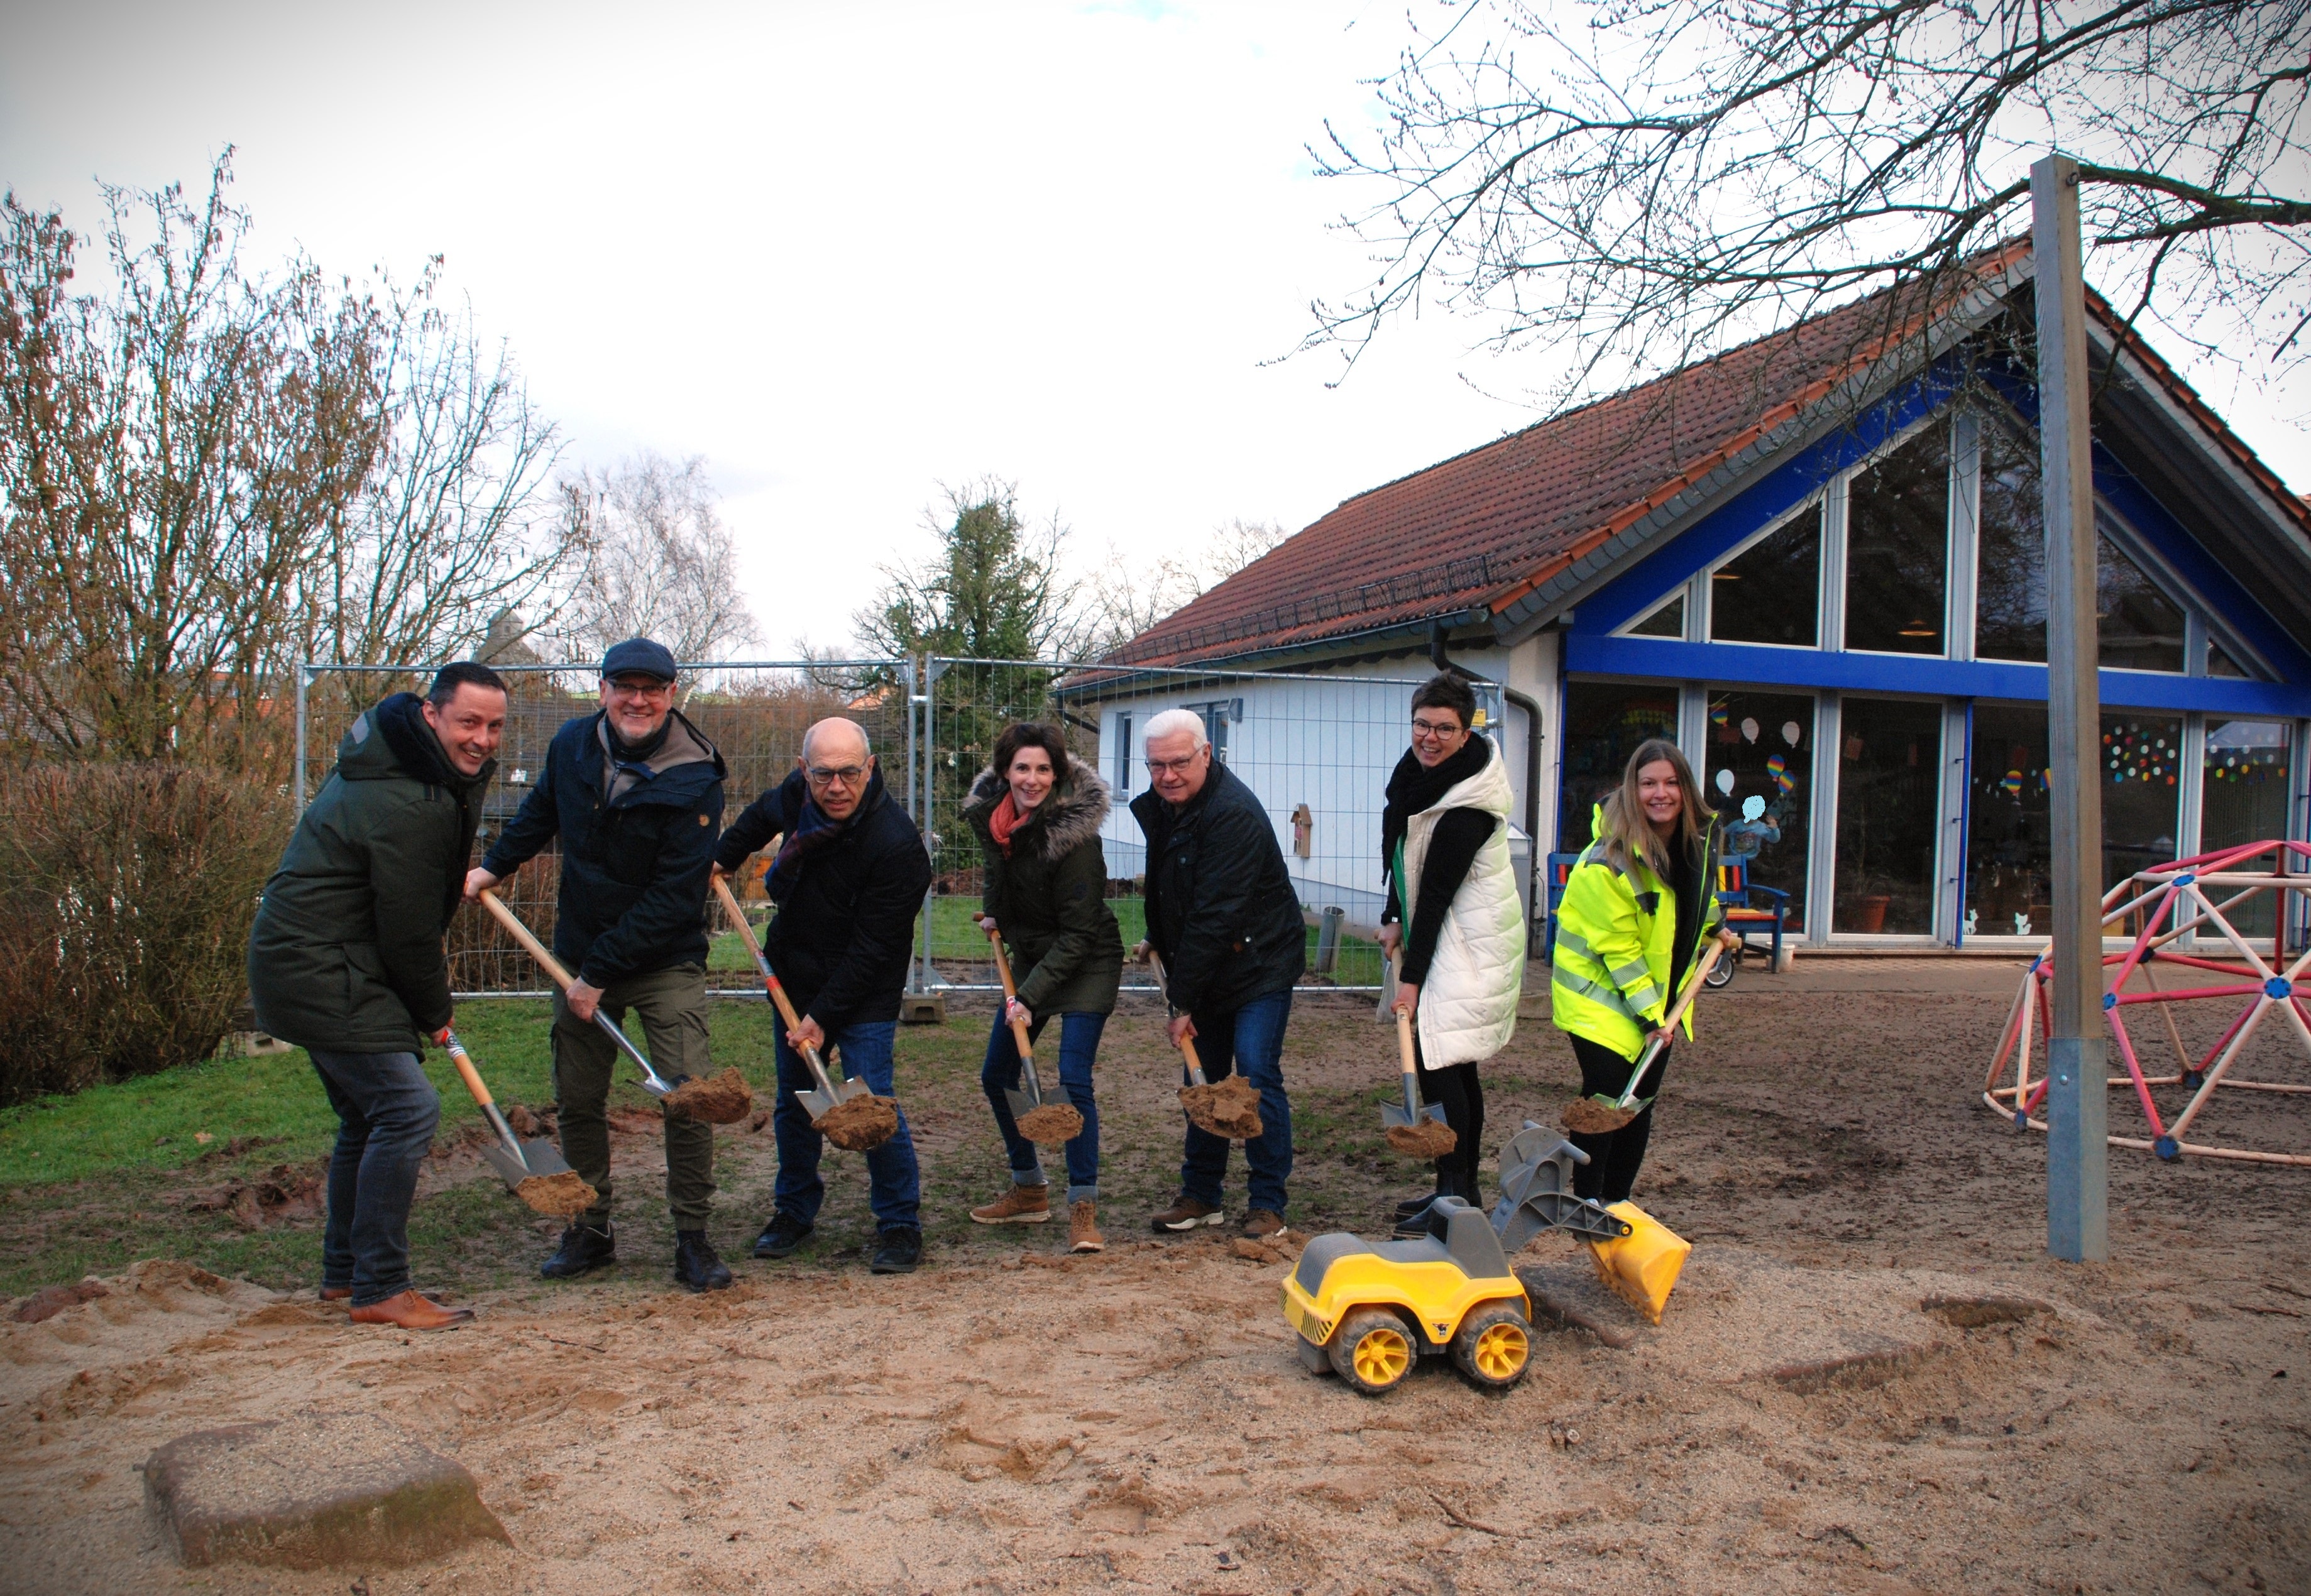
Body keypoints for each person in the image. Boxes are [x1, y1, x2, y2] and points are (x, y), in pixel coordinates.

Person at [466, 638, 733, 1293]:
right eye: (624, 686)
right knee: (579, 1099)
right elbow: (540, 812)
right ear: (604, 687)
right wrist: (494, 865)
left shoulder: (696, 775)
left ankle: (691, 1237)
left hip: (663, 958)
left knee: (687, 1096)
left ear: (673, 694)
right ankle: (589, 1228)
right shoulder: (572, 744)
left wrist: (597, 974)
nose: (637, 699)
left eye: (652, 688)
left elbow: (673, 898)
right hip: (579, 951)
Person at [248, 662, 509, 1330]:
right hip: (321, 965)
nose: (481, 738)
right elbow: (409, 929)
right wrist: (434, 1012)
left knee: (367, 1116)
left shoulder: (404, 765)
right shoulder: (406, 800)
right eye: (468, 722)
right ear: (432, 714)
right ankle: (381, 1285)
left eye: (494, 726)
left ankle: (346, 1273)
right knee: (406, 1107)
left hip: (319, 957)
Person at [712, 717, 933, 1275]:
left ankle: (900, 1222)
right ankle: (793, 1211)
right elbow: (758, 817)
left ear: (871, 769)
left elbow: (872, 950)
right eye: (823, 775)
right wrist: (722, 858)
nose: (836, 787)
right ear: (803, 770)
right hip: (795, 970)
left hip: (864, 988)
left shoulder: (897, 845)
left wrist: (821, 1018)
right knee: (793, 1102)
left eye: (849, 773)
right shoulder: (795, 796)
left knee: (871, 1103)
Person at [1130, 708, 1305, 1239]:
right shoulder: (1167, 806)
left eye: (1179, 763)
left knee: (1252, 1073)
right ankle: (1201, 1195)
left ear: (1206, 754)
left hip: (1259, 961)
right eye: (1156, 766)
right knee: (1200, 1077)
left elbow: (1214, 912)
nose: (1167, 776)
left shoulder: (1234, 816)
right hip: (1207, 960)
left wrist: (1180, 1004)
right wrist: (1158, 937)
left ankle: (1267, 1202)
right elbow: (1167, 886)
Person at [961, 723, 1124, 1254]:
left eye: (1043, 769)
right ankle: (1029, 1189)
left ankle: (1083, 1206)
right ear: (1005, 771)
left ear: (1057, 775)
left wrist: (1027, 999)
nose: (1032, 780)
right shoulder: (996, 820)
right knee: (996, 1074)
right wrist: (996, 915)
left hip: (1086, 960)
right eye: (1022, 768)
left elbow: (1079, 933)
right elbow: (998, 873)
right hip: (1034, 955)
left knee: (1073, 1077)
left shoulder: (1076, 838)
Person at [1376, 674, 1523, 1235]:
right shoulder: (1416, 780)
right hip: (1447, 937)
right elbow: (1403, 857)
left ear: (1466, 734)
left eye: (1444, 728)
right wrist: (1392, 916)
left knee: (1442, 1064)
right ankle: (1457, 1190)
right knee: (1453, 1066)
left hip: (1470, 944)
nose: (1429, 737)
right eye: (1421, 724)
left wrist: (1410, 980)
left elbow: (1436, 893)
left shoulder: (1467, 806)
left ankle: (1454, 1198)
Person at [1550, 738, 1723, 1203]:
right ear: (1632, 790)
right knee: (1608, 1097)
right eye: (1648, 783)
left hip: (1658, 999)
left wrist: (1716, 931)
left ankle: (1616, 1200)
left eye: (1670, 783)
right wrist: (1651, 1018)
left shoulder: (1694, 850)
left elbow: (1690, 912)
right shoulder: (1607, 863)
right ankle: (1586, 1200)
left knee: (1639, 1101)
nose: (1659, 793)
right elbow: (1619, 950)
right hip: (1598, 996)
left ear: (1685, 790)